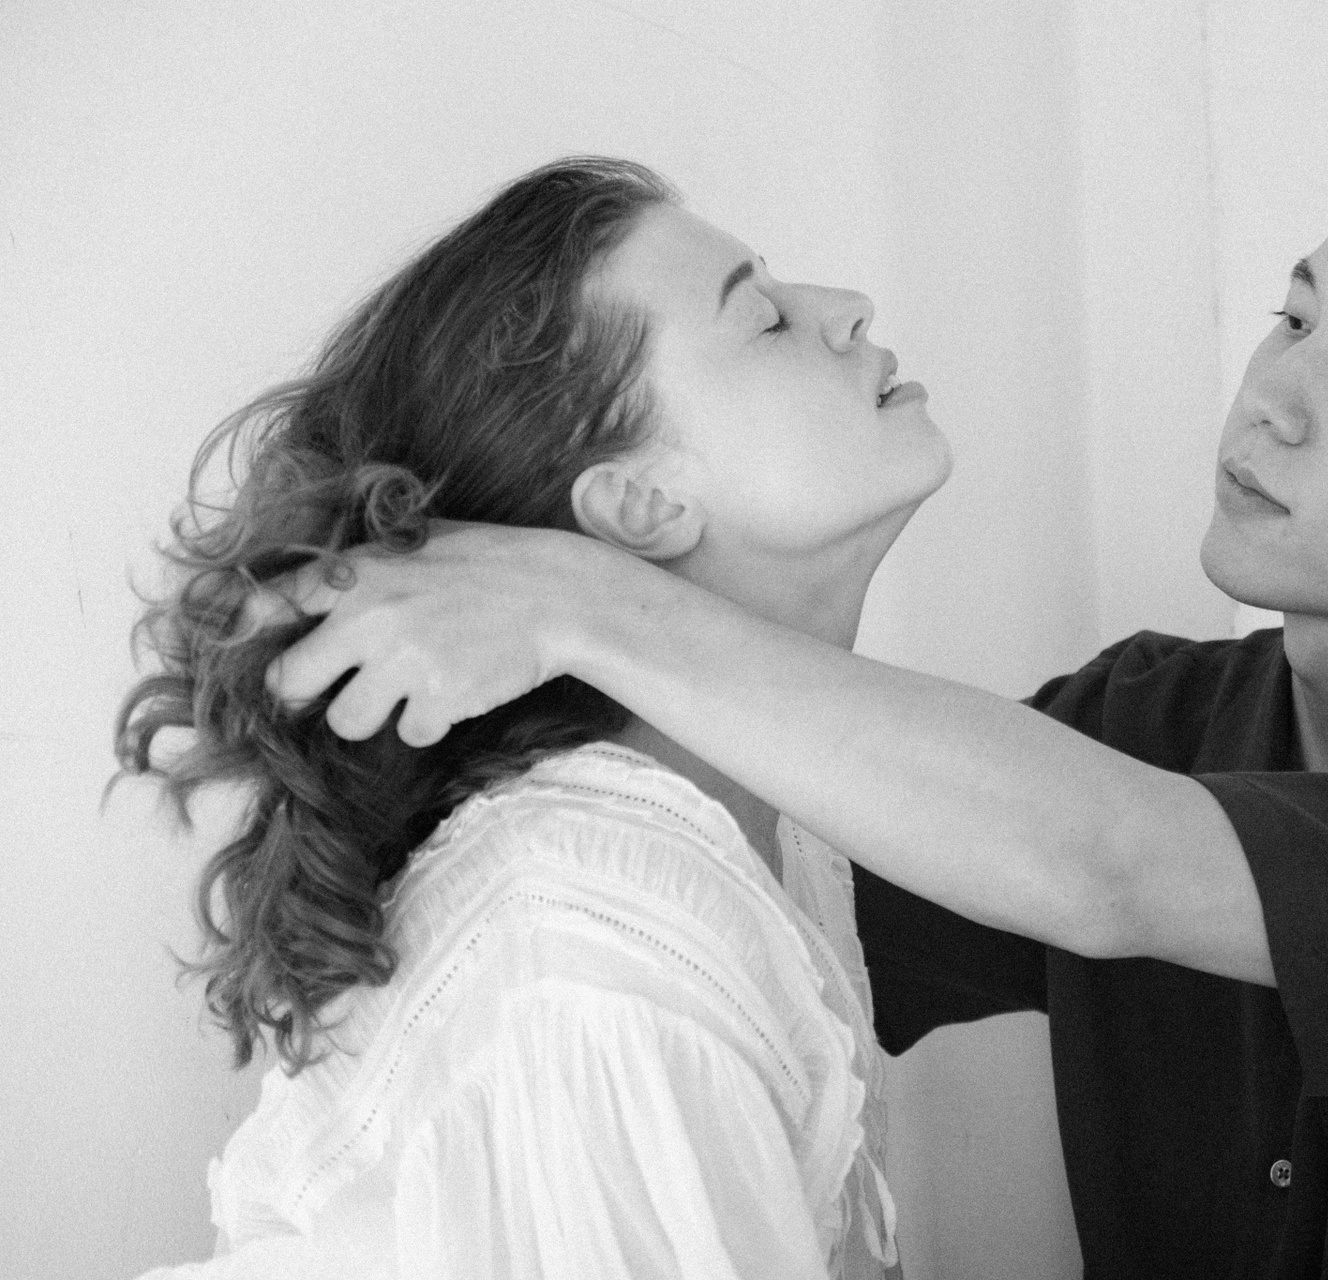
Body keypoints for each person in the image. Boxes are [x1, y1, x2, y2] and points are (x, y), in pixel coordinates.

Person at [266, 118, 1328, 1278]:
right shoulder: (1136, 728)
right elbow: (763, 895)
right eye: (1295, 318)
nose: (1275, 393)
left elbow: (1109, 862)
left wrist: (580, 601)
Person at [117, 156, 950, 1278]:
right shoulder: (596, 936)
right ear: (638, 504)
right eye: (763, 319)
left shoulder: (764, 830)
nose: (848, 308)